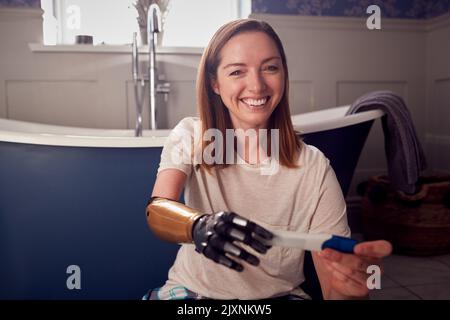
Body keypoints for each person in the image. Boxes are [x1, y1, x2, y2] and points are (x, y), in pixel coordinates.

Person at [144, 19, 392, 300]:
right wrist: (198, 225)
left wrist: (351, 291)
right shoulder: (190, 135)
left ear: (284, 75)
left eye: (270, 68)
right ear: (215, 82)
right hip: (192, 293)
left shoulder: (314, 167)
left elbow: (334, 286)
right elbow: (158, 210)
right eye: (237, 71)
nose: (257, 85)